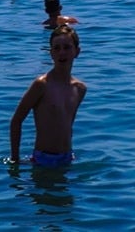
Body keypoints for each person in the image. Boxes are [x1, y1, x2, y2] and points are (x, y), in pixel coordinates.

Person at [9, 26, 86, 167]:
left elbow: (67, 124)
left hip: (67, 158)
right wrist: (15, 160)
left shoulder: (80, 89)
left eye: (67, 47)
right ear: (51, 53)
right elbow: (16, 121)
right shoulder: (41, 85)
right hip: (43, 159)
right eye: (56, 48)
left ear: (77, 52)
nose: (62, 52)